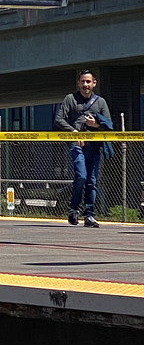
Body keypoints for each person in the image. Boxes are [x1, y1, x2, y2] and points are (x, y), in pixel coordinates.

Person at [54, 70, 113, 228]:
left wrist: (96, 125)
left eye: (88, 82)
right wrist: (73, 131)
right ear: (79, 83)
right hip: (77, 145)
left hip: (94, 147)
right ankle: (74, 209)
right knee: (81, 176)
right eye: (82, 82)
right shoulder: (70, 99)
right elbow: (59, 119)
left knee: (92, 180)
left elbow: (109, 126)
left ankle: (89, 215)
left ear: (94, 83)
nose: (85, 85)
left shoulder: (100, 102)